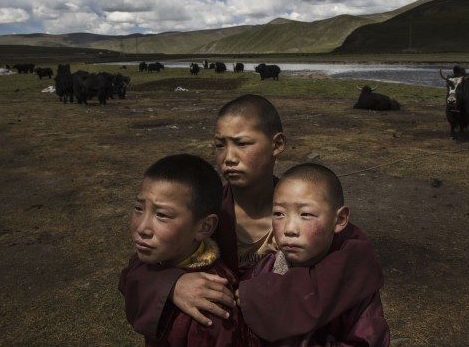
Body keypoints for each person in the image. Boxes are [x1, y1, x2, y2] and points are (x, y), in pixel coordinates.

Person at [120, 94, 384, 341]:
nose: (228, 158)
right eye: (219, 145)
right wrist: (172, 284)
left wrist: (255, 298)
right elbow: (137, 267)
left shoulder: (309, 215)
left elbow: (356, 266)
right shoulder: (205, 215)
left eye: (242, 143)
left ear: (277, 144)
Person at [239, 163, 390, 345]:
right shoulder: (264, 269)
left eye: (306, 214)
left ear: (340, 219)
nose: (289, 229)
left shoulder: (354, 280)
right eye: (279, 214)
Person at [118, 154, 256, 346]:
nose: (142, 228)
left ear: (205, 227)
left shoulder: (210, 302)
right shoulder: (159, 258)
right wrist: (171, 284)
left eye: (162, 215)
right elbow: (129, 276)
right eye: (138, 208)